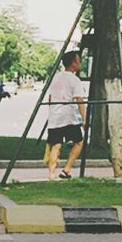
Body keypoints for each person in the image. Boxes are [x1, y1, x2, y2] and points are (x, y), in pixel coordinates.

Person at [45, 48, 88, 180]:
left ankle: (51, 174)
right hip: (68, 116)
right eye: (79, 60)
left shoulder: (55, 77)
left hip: (55, 115)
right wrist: (84, 118)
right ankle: (67, 169)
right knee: (79, 142)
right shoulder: (75, 80)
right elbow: (79, 100)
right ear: (74, 62)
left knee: (56, 145)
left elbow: (50, 97)